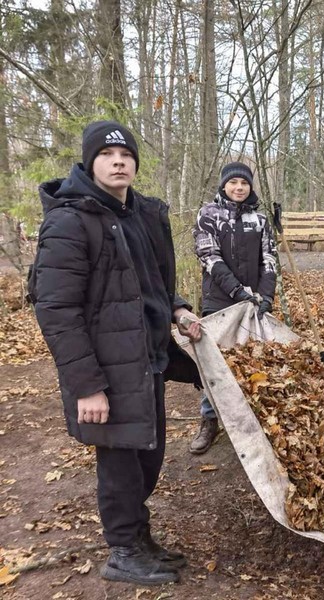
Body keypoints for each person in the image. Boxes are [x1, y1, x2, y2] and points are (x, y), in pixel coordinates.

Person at [31, 120, 203, 585]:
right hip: (107, 369)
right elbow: (56, 310)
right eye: (107, 155)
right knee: (121, 460)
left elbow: (154, 283)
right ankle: (123, 551)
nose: (118, 161)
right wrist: (88, 386)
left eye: (126, 154)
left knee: (147, 455)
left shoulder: (141, 214)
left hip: (147, 359)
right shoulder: (70, 221)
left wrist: (180, 310)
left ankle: (139, 539)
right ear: (90, 162)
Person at [190, 161, 278, 454]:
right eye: (233, 183)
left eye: (244, 183)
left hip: (253, 302)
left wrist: (265, 296)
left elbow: (269, 258)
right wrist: (237, 291)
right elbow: (209, 256)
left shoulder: (260, 219)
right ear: (224, 185)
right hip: (219, 299)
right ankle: (210, 418)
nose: (239, 188)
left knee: (255, 358)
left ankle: (254, 418)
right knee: (214, 363)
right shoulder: (209, 215)